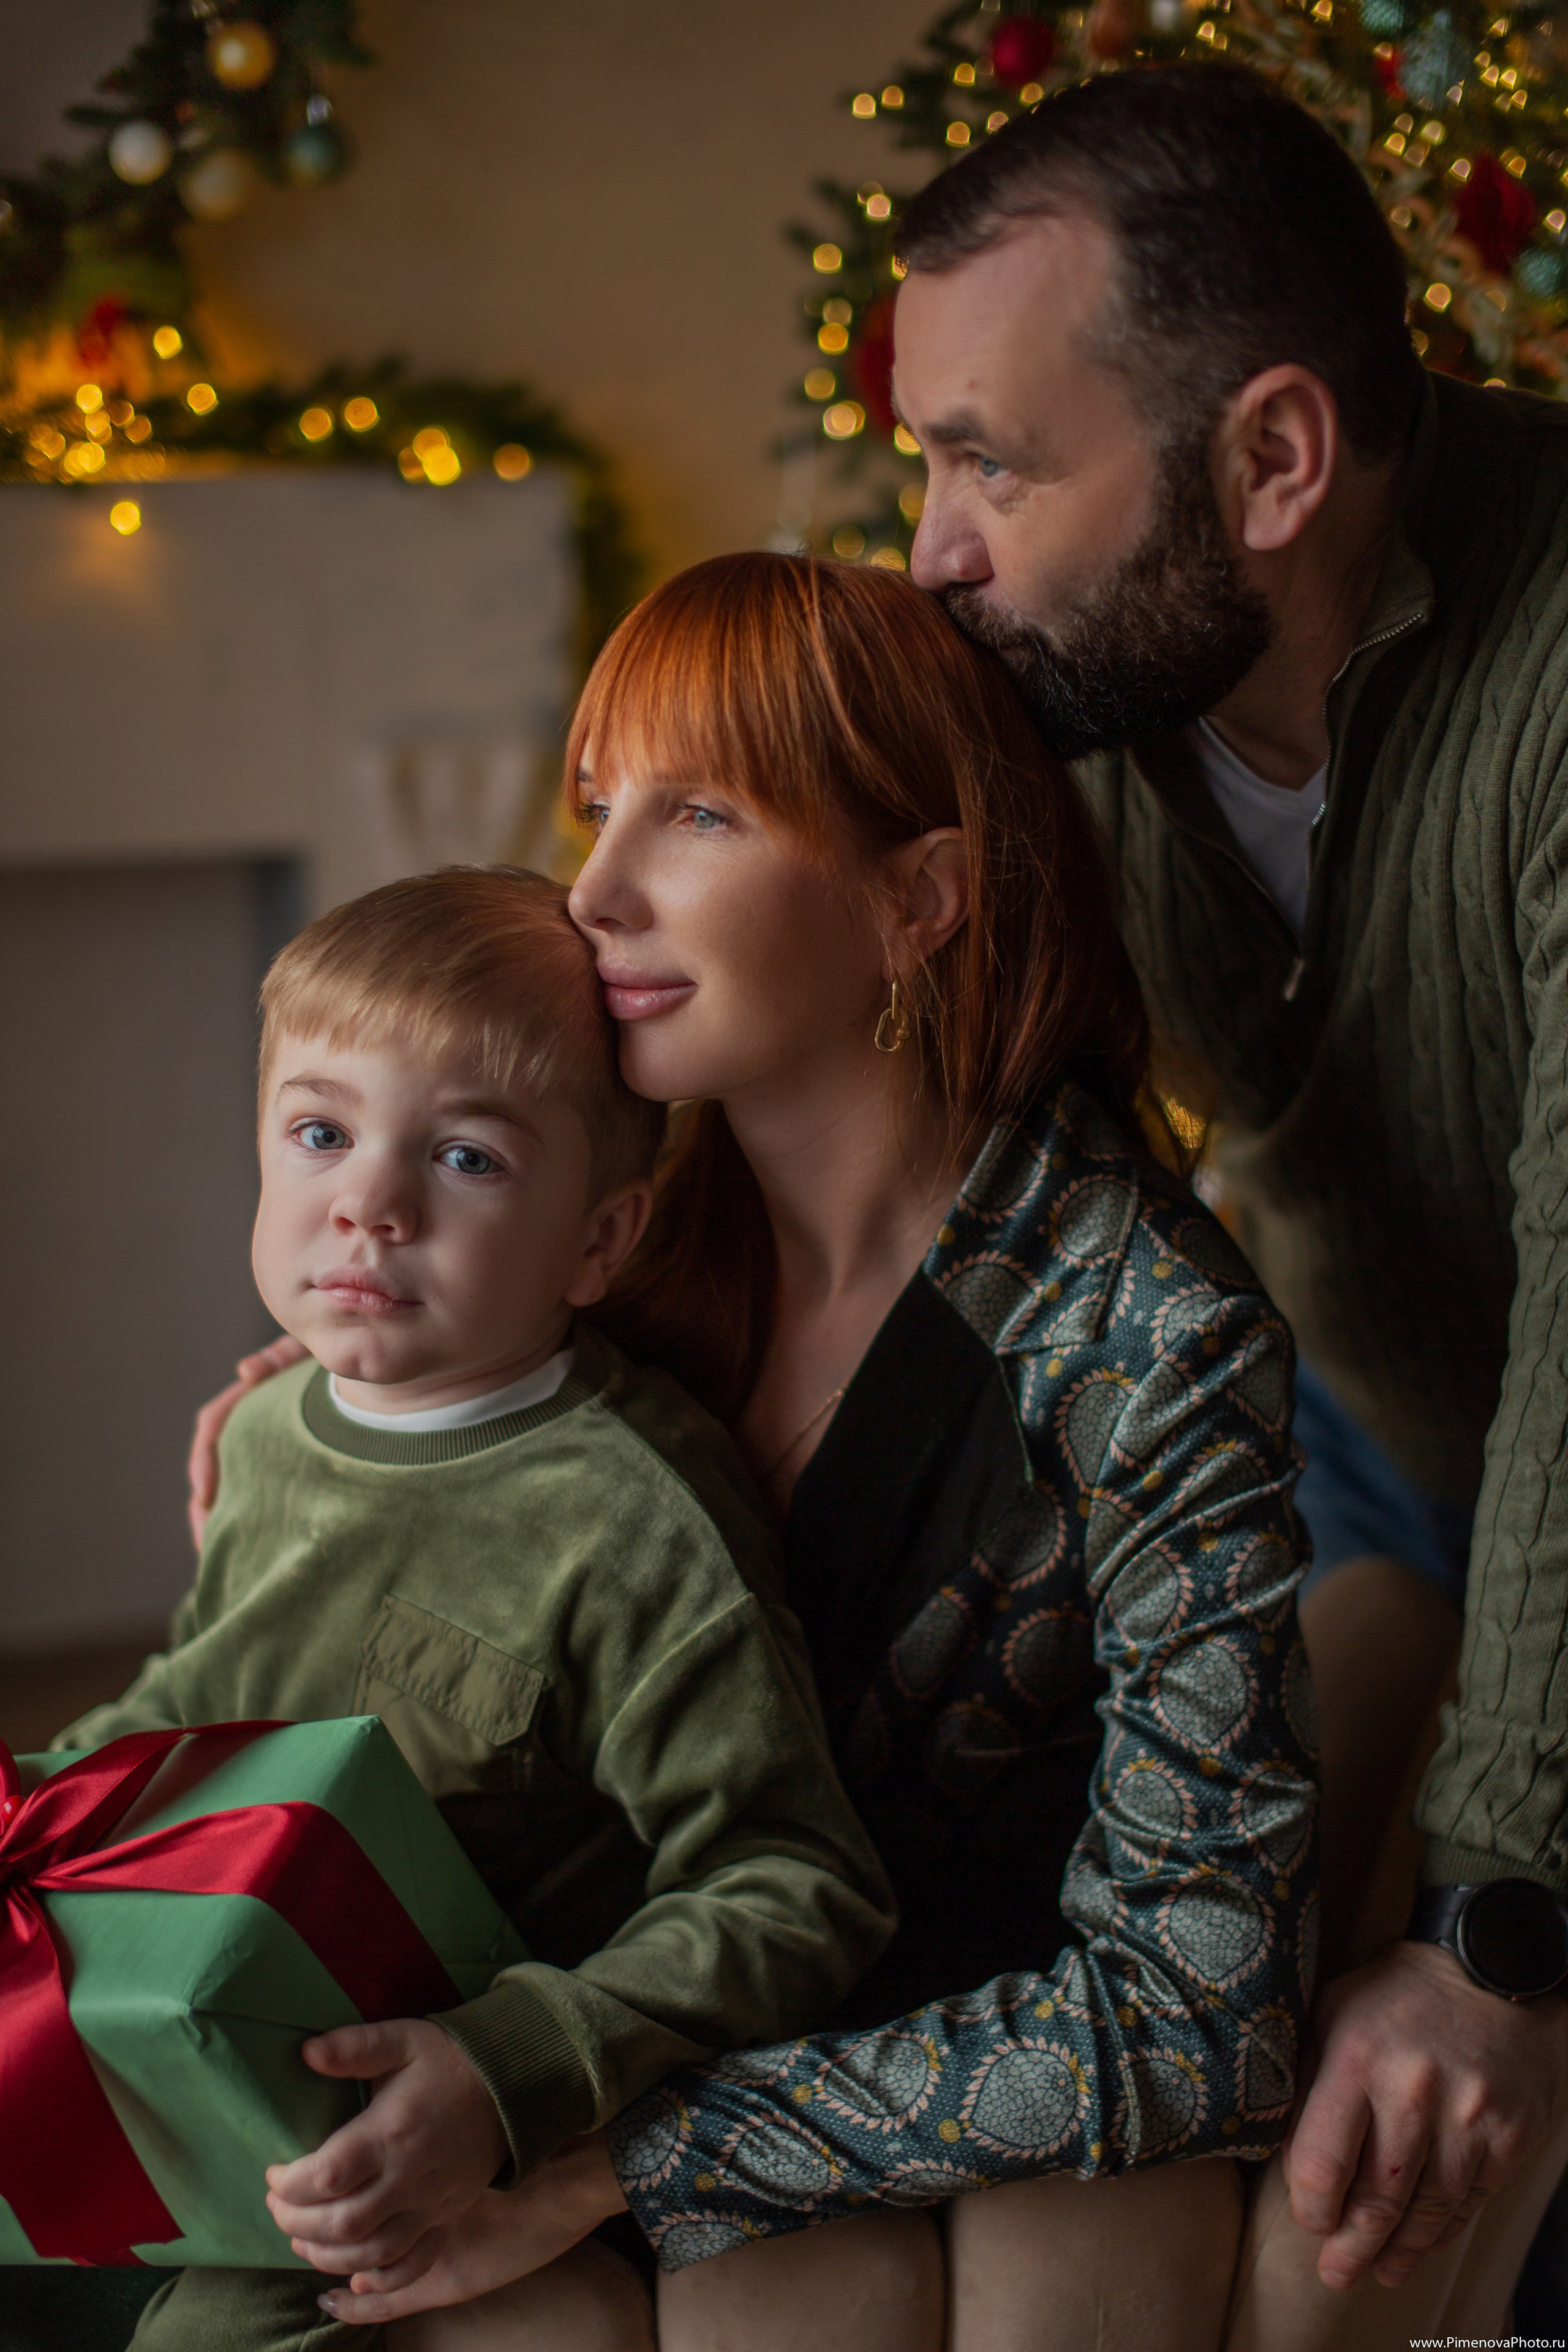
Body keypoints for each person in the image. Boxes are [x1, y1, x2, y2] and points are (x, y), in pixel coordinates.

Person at [193, 554, 1317, 2351]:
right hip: (597, 2001)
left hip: (959, 2063)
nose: (600, 887)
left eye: (697, 812)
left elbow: (1200, 2012)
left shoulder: (1146, 1338)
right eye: (596, 805)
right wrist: (333, 1422)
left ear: (919, 898)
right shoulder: (594, 1222)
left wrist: (614, 2158)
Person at [873, 58, 1568, 2345]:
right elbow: (755, 955)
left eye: (992, 461)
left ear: (1273, 459)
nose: (930, 549)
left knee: (1435, 2120)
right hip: (1374, 1426)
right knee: (1196, 1999)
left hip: (1540, 1409)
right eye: (925, 458)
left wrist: (1502, 1923)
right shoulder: (1069, 655)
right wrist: (458, 1268)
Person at [31, 864, 895, 2352]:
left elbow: (795, 1888)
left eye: (469, 1160)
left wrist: (514, 2064)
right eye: (317, 1134)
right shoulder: (263, 1437)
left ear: (599, 1242)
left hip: (403, 2122)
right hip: (213, 2011)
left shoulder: (632, 1526)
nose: (366, 1201)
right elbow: (192, 1705)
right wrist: (32, 1799)